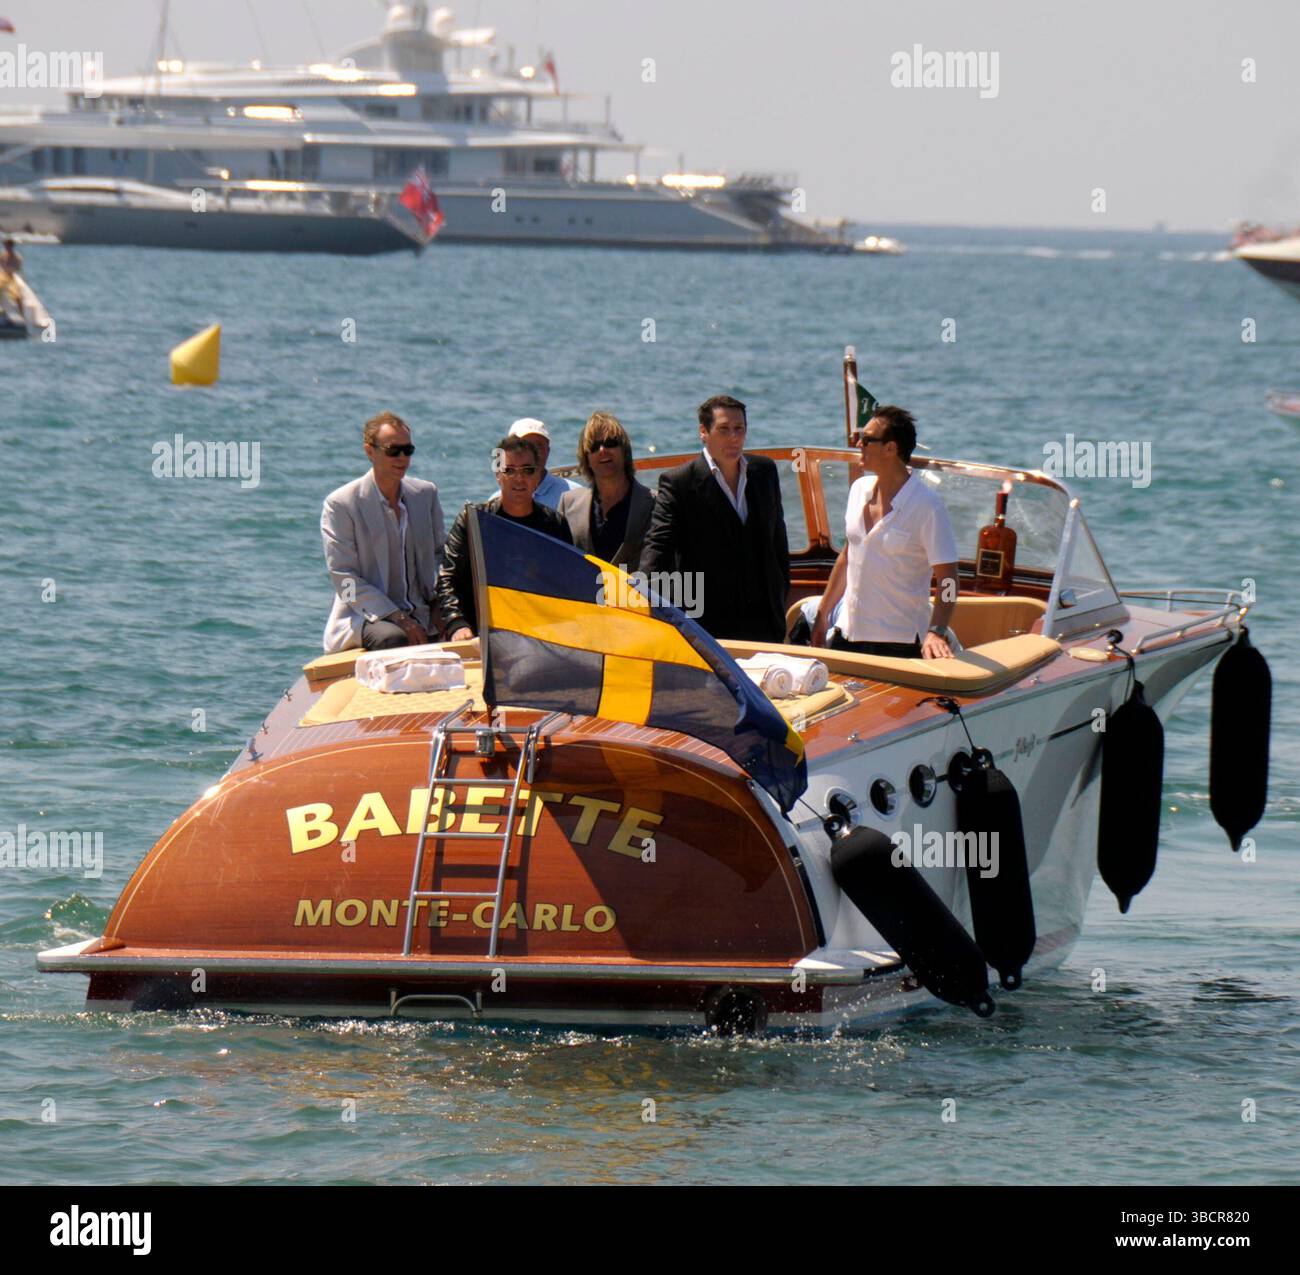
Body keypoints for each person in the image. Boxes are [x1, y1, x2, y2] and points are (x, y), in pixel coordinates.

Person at [811, 406, 959, 659]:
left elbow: (949, 580)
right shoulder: (858, 490)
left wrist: (937, 630)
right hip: (847, 634)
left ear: (891, 448)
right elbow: (848, 557)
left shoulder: (927, 506)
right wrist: (823, 614)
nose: (858, 444)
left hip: (900, 643)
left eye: (867, 440)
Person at [639, 394, 789, 642]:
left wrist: (780, 592)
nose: (733, 437)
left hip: (765, 621)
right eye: (723, 429)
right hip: (707, 626)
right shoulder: (679, 483)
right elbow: (657, 548)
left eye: (739, 428)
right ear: (703, 431)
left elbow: (778, 542)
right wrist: (644, 602)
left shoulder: (765, 472)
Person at [320, 410, 447, 653]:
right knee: (393, 638)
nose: (402, 458)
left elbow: (442, 556)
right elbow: (343, 577)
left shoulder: (426, 494)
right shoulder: (341, 504)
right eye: (393, 450)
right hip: (367, 615)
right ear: (370, 451)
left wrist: (440, 604)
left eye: (407, 450)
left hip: (423, 609)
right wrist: (397, 617)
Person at [438, 434, 573, 640]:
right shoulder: (472, 521)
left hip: (539, 633)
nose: (519, 478)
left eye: (527, 470)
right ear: (497, 476)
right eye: (509, 470)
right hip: (479, 633)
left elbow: (568, 585)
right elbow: (447, 576)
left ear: (538, 476)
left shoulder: (554, 525)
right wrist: (456, 623)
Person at [558, 411, 655, 570]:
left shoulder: (655, 503)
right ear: (586, 459)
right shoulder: (568, 504)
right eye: (594, 447)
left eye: (610, 443)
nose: (602, 450)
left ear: (624, 451)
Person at [485, 419, 581, 510]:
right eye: (525, 445)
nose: (534, 451)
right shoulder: (494, 504)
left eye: (538, 445)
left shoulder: (575, 496)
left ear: (547, 450)